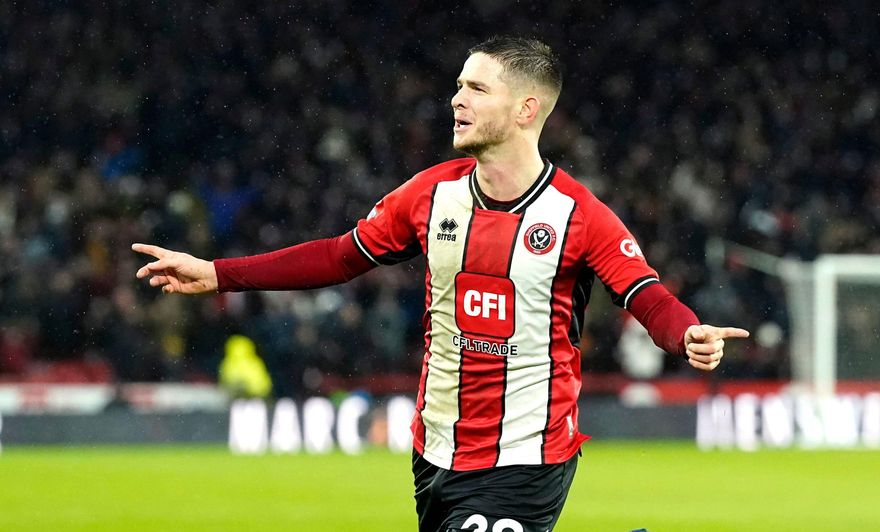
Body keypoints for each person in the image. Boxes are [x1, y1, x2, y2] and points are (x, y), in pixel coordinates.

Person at [133, 36, 749, 532]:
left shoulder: (576, 214)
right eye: (458, 85)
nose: (456, 99)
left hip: (528, 454)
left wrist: (685, 331)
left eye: (476, 88)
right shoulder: (431, 194)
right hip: (436, 452)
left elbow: (642, 291)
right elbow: (341, 256)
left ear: (525, 110)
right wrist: (217, 274)